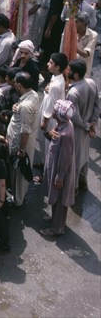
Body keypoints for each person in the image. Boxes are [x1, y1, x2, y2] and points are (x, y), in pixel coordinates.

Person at [40, 100, 76, 237]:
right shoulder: (63, 124)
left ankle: (57, 228)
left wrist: (59, 177)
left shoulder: (65, 134)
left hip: (60, 171)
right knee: (56, 197)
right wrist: (50, 133)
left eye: (55, 111)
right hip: (55, 167)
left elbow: (66, 158)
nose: (53, 112)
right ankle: (55, 219)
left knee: (60, 199)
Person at [65, 60, 100, 193]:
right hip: (87, 126)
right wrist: (93, 123)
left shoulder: (73, 92)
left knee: (74, 159)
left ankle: (74, 187)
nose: (67, 72)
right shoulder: (91, 83)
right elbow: (97, 104)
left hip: (77, 129)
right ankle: (83, 182)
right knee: (85, 156)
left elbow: (74, 116)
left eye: (69, 70)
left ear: (76, 74)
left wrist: (86, 126)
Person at [6, 72, 40, 207]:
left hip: (21, 143)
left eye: (15, 82)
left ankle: (18, 199)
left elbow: (24, 132)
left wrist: (21, 150)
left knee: (18, 172)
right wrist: (17, 108)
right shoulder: (33, 95)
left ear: (19, 85)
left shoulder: (26, 106)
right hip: (26, 141)